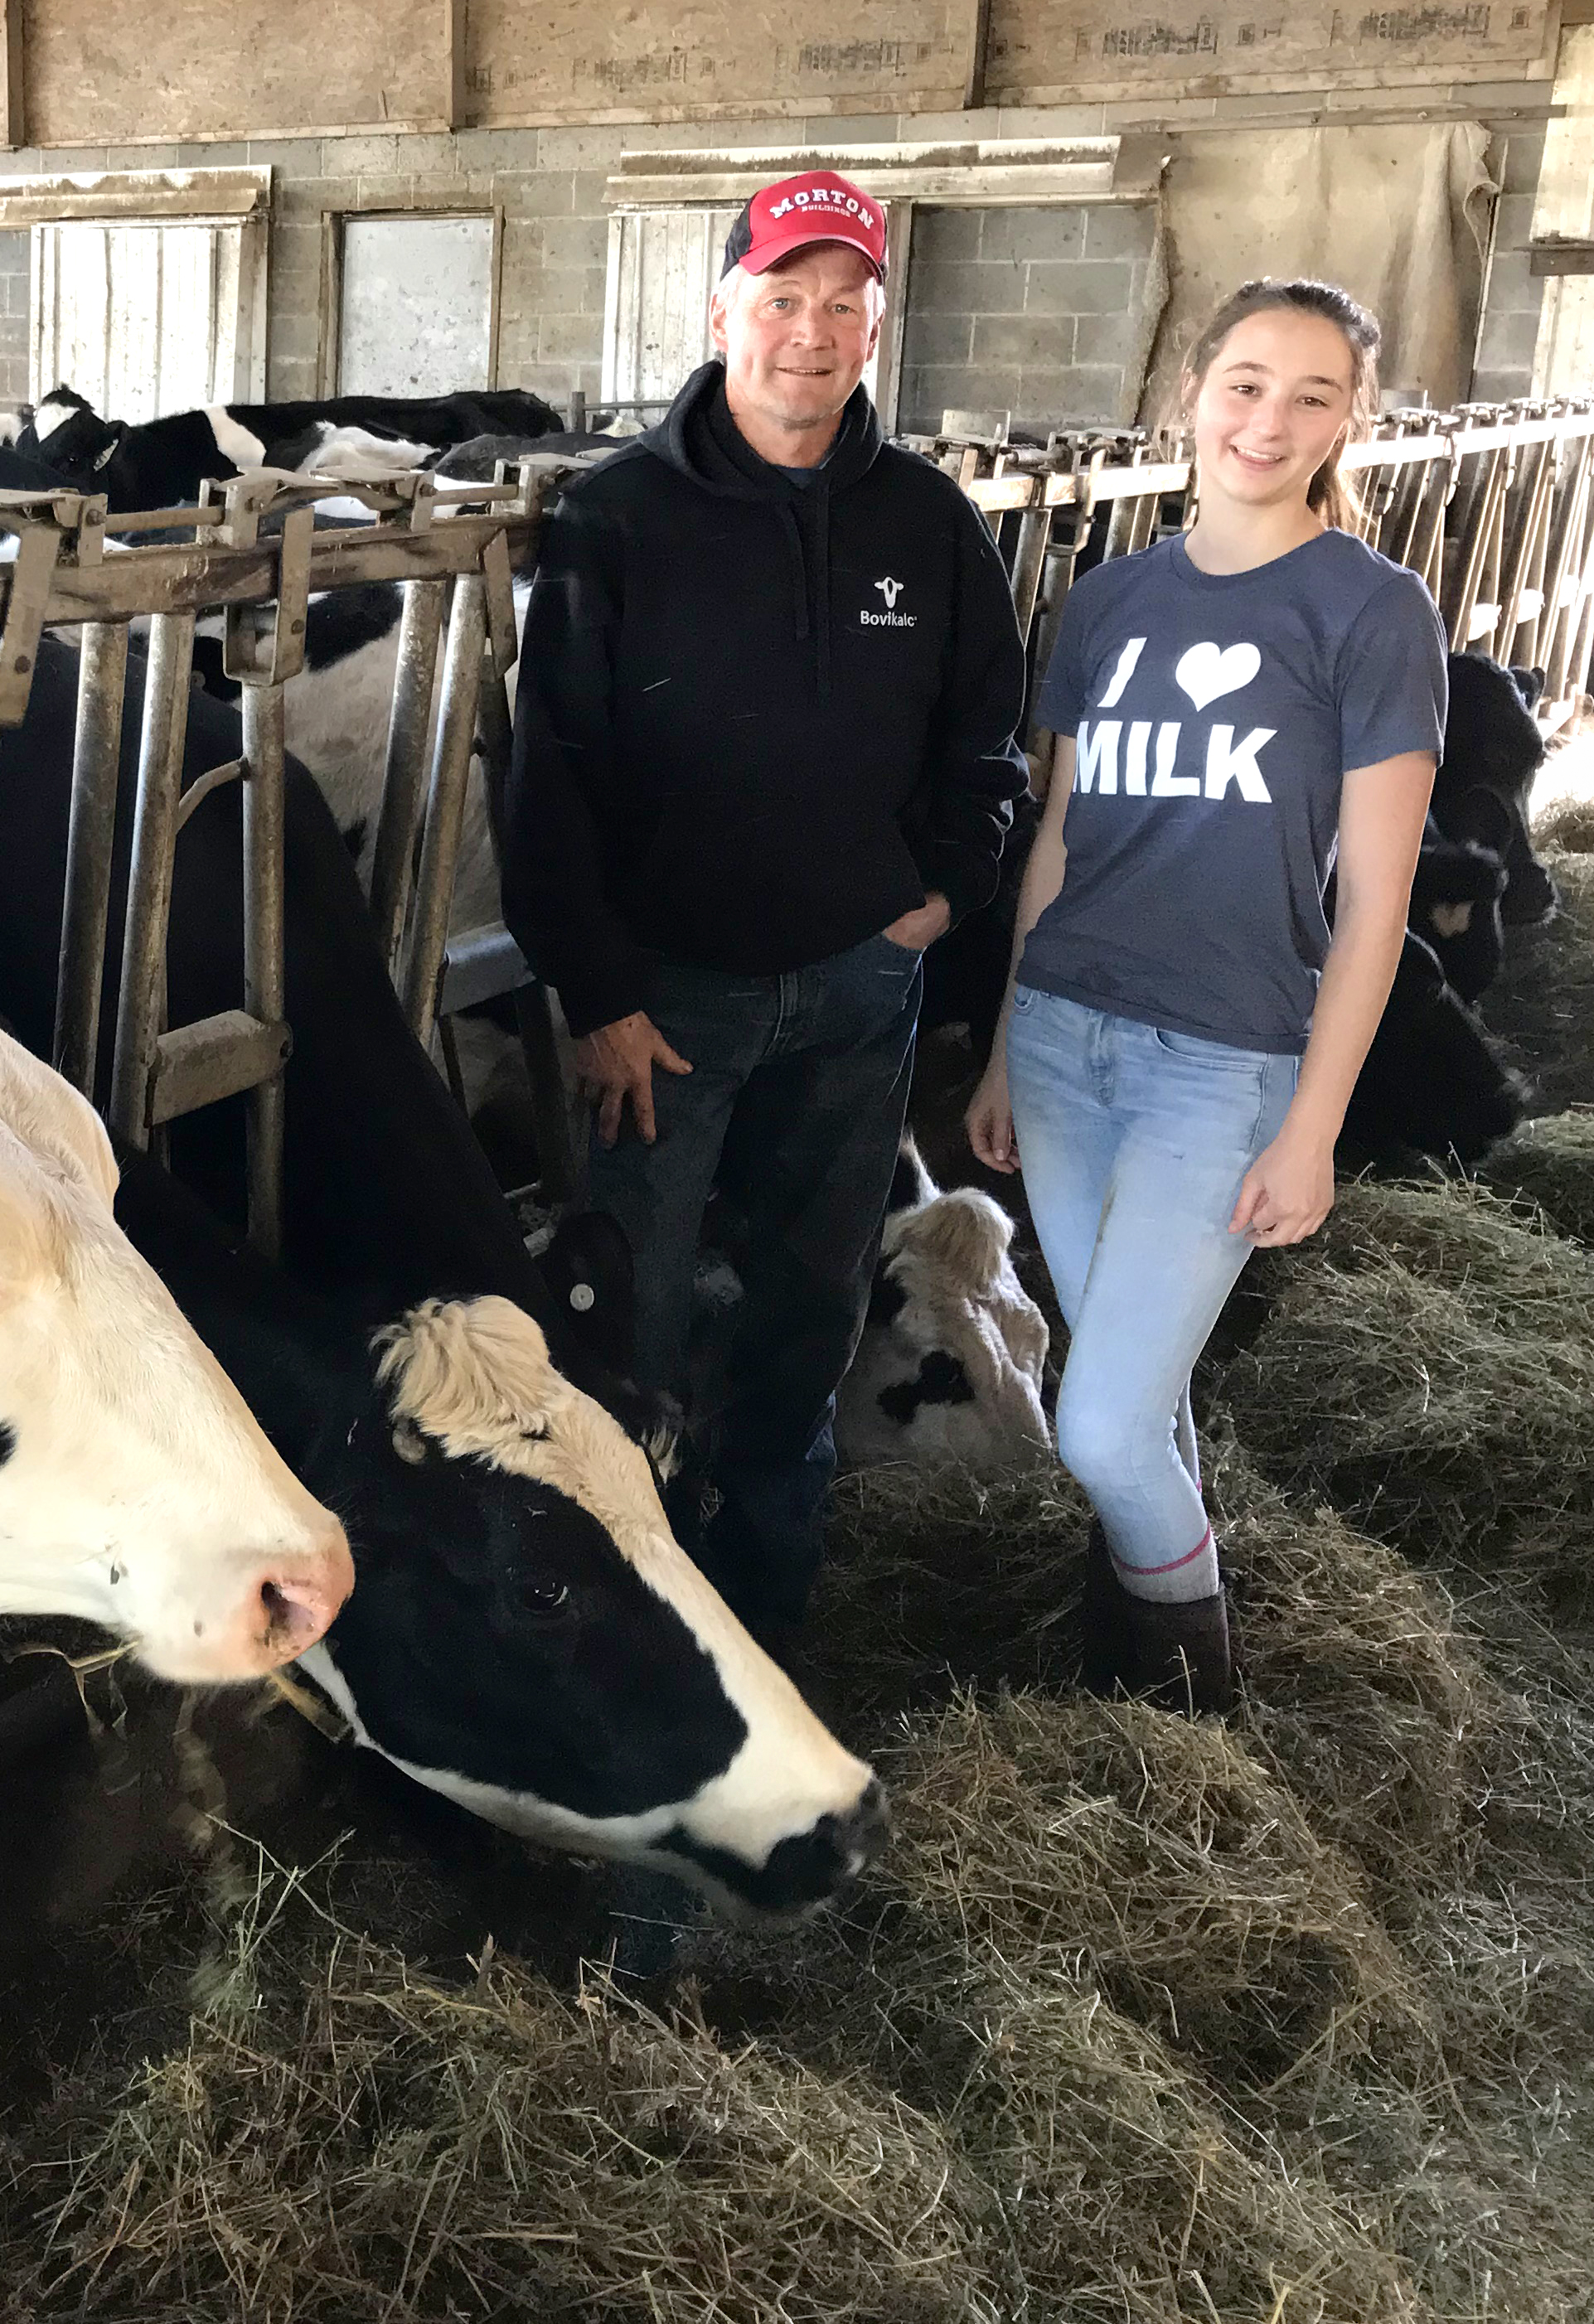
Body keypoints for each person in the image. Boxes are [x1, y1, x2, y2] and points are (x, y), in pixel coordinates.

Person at [501, 170, 1029, 1652]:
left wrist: (936, 899)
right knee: (636, 1316)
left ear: (876, 326)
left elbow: (988, 739)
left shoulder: (928, 523)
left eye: (842, 305)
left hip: (861, 989)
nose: (812, 331)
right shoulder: (617, 519)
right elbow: (553, 779)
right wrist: (597, 992)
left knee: (806, 1316)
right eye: (782, 299)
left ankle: (768, 1617)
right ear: (724, 307)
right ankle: (622, 1625)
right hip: (666, 1007)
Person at [967, 278, 1444, 1712]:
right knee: (1142, 1387)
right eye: (1244, 382)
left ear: (1349, 420)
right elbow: (1057, 839)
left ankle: (1196, 1706)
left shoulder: (1371, 611)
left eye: (1312, 394)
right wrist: (999, 1049)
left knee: (1099, 1430)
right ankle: (1128, 1665)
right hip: (1062, 1043)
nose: (1268, 419)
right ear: (1191, 392)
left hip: (1222, 1066)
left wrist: (1313, 1126)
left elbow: (1375, 905)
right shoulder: (1109, 600)